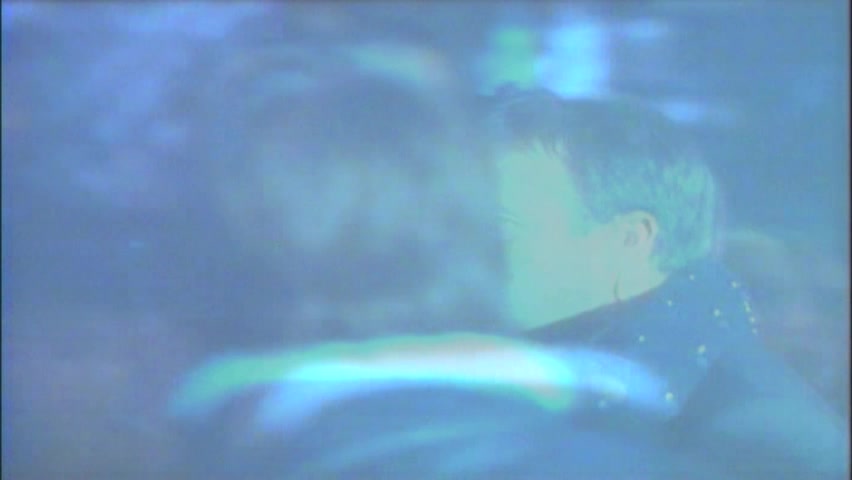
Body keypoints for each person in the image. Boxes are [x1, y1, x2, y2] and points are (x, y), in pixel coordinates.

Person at [172, 86, 849, 479]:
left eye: (494, 227)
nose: (458, 249)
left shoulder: (758, 443)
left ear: (630, 241)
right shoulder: (582, 410)